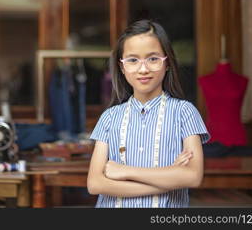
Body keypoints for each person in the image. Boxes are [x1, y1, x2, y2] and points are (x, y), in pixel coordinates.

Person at [87, 20, 210, 208]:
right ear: (122, 67)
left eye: (153, 59)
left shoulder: (185, 113)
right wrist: (169, 178)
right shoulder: (109, 118)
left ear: (167, 62)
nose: (143, 69)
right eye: (132, 60)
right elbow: (95, 184)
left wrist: (125, 171)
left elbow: (192, 177)